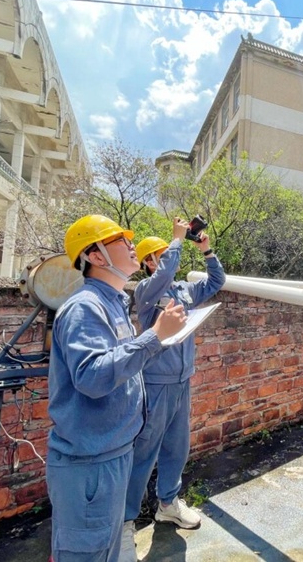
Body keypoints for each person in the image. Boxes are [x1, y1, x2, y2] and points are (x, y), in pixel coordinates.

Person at [46, 214, 186, 562]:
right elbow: (92, 376)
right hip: (90, 464)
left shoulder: (114, 303)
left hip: (113, 452)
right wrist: (155, 336)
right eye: (120, 241)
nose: (130, 245)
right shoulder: (84, 307)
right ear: (95, 255)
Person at [121, 218, 226, 555]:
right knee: (144, 451)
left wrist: (206, 250)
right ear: (151, 261)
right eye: (162, 254)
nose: (169, 258)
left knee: (176, 448)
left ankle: (168, 503)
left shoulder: (183, 289)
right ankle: (124, 522)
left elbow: (216, 281)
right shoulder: (145, 291)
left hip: (182, 380)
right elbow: (164, 275)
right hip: (155, 383)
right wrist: (177, 240)